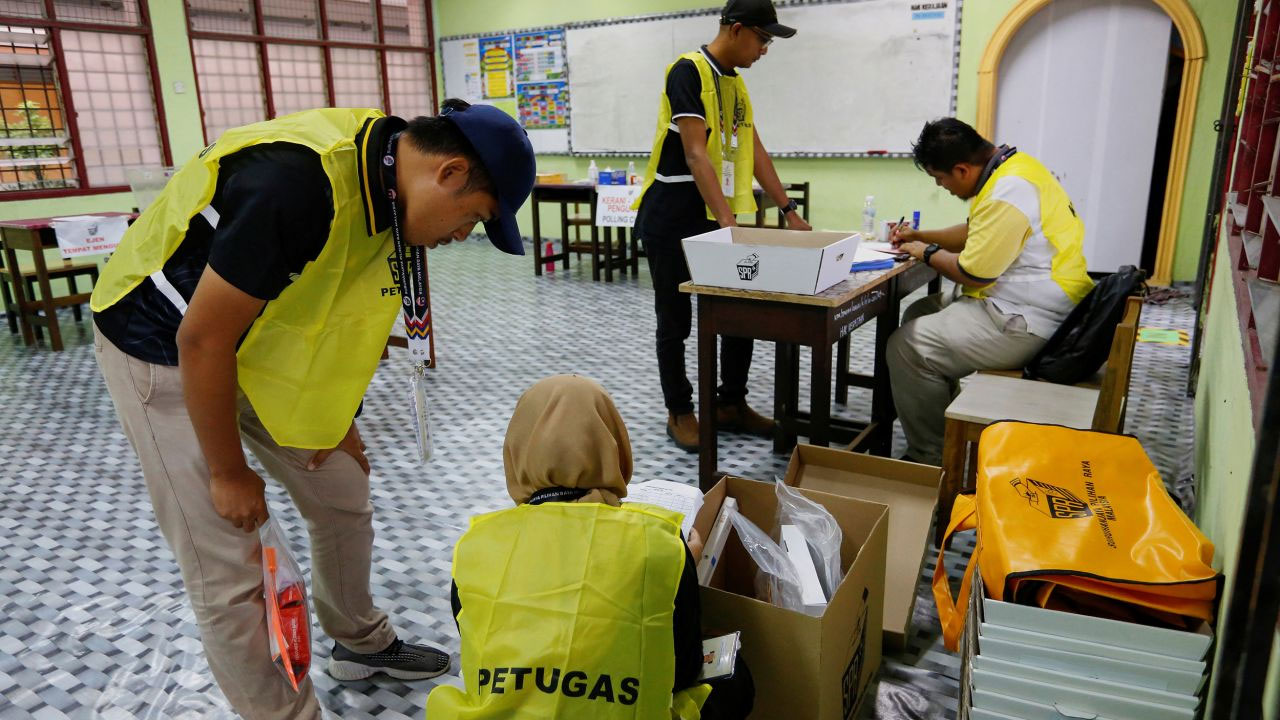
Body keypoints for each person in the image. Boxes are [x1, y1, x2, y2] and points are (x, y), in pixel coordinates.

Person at [88, 99, 535, 720]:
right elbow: (203, 340)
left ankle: (358, 641)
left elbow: (335, 310)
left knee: (341, 490)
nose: (462, 236)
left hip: (253, 336)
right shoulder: (297, 183)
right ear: (451, 173)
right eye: (475, 219)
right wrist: (227, 473)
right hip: (163, 344)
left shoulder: (388, 184)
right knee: (233, 567)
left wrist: (335, 416)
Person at [427, 375, 754, 719]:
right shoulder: (660, 542)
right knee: (733, 677)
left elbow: (481, 646)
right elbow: (682, 670)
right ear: (613, 444)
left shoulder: (477, 545)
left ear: (517, 450)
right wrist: (684, 561)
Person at [633, 0, 811, 453]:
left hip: (716, 219)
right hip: (673, 217)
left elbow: (756, 152)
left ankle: (730, 402)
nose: (765, 49)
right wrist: (729, 226)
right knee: (674, 322)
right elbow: (695, 154)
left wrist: (789, 209)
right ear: (735, 30)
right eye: (763, 38)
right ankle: (680, 411)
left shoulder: (735, 85)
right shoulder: (687, 72)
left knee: (738, 313)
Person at [886, 118, 1094, 464]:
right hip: (1033, 302)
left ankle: (932, 458)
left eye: (941, 179)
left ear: (962, 170)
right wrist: (919, 236)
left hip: (1031, 320)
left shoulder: (1008, 192)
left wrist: (922, 253)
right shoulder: (1016, 169)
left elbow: (973, 274)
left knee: (906, 346)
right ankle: (948, 424)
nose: (943, 187)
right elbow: (974, 233)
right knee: (918, 313)